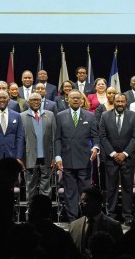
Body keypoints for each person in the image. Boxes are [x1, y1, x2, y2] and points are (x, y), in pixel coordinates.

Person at [55, 89, 99, 221]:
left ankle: (85, 217)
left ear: (81, 100)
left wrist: (96, 148)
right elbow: (57, 138)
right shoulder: (60, 115)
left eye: (77, 98)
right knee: (70, 192)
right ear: (67, 100)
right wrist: (58, 157)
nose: (75, 100)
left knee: (85, 191)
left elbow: (95, 136)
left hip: (85, 159)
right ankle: (72, 218)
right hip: (67, 159)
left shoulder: (90, 116)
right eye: (72, 97)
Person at [98, 93, 135, 225]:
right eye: (118, 101)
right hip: (111, 159)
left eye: (122, 101)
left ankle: (127, 215)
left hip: (128, 159)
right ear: (113, 102)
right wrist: (113, 153)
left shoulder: (133, 116)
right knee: (111, 188)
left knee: (128, 188)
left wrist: (125, 153)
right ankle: (111, 214)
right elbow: (102, 136)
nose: (120, 104)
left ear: (126, 102)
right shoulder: (105, 116)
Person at [21, 92, 57, 200]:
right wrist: (21, 158)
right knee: (30, 187)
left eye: (38, 100)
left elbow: (54, 138)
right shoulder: (21, 116)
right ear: (28, 102)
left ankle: (45, 213)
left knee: (46, 188)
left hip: (47, 157)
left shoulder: (50, 115)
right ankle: (31, 212)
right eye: (33, 100)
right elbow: (20, 140)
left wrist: (54, 157)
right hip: (29, 158)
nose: (36, 102)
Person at [68, 187, 123, 256]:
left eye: (85, 201)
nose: (81, 205)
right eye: (81, 201)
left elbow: (120, 252)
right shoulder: (74, 226)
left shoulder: (113, 226)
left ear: (97, 202)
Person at [26, 194, 81, 259]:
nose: (27, 212)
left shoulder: (22, 233)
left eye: (30, 208)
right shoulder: (62, 234)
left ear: (36, 211)